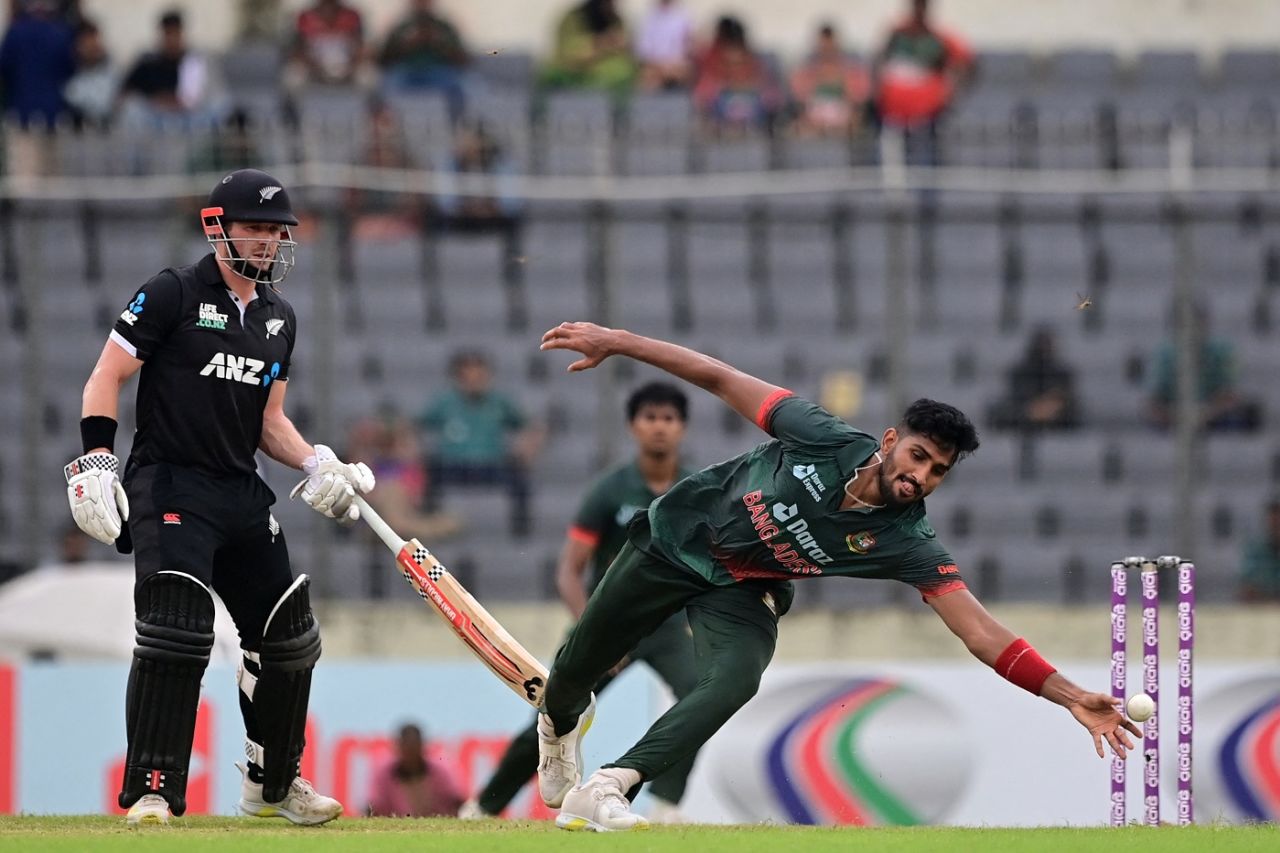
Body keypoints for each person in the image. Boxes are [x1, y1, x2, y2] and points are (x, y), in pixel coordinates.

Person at [532, 321, 1141, 832]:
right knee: (575, 669)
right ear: (891, 441)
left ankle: (612, 782)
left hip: (746, 586)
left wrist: (1069, 696)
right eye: (918, 457)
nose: (922, 477)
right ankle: (559, 721)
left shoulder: (909, 541)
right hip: (676, 538)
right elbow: (717, 376)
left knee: (734, 679)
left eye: (938, 472)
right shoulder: (822, 436)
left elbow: (981, 633)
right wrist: (615, 340)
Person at [64, 168, 376, 827]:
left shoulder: (278, 318)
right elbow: (107, 373)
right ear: (217, 228)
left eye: (276, 231)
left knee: (289, 640)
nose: (267, 243)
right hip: (171, 481)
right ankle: (152, 787)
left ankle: (274, 783)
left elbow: (269, 422)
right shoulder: (173, 293)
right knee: (177, 627)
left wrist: (319, 459)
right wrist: (96, 456)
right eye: (255, 228)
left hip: (239, 488)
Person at [461, 382, 700, 823]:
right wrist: (593, 627)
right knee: (554, 713)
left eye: (669, 419)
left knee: (700, 698)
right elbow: (569, 570)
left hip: (667, 627)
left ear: (682, 427)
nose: (659, 428)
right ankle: (483, 807)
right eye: (650, 418)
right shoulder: (611, 490)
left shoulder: (696, 489)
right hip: (608, 621)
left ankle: (666, 805)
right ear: (633, 426)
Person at [419, 350, 541, 537]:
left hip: (491, 466)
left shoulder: (499, 402)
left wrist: (526, 446)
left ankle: (521, 530)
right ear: (459, 377)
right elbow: (415, 425)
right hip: (452, 466)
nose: (474, 380)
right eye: (468, 375)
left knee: (520, 480)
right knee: (426, 475)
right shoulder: (444, 402)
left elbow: (531, 426)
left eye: (479, 375)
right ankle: (429, 523)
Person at [874, 0, 972, 163]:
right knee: (890, 162)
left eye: (922, 5)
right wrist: (878, 92)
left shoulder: (940, 38)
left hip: (928, 118)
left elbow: (966, 64)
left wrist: (951, 92)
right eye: (916, 5)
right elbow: (879, 62)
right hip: (892, 116)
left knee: (925, 166)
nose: (918, 10)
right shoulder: (896, 34)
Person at [1146, 303, 1259, 432]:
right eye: (1183, 326)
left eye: (1196, 324)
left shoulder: (1223, 351)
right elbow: (1151, 404)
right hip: (1174, 421)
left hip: (1215, 419)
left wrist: (1202, 415)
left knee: (1244, 418)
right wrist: (1177, 417)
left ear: (1206, 324)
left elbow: (1233, 397)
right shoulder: (1164, 355)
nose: (1191, 332)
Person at [118, 9, 224, 129]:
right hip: (155, 120)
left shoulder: (192, 62)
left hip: (189, 120)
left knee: (219, 107)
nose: (172, 40)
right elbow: (125, 94)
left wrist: (173, 103)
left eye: (176, 34)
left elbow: (191, 100)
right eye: (168, 33)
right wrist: (154, 100)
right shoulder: (148, 63)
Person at [378, 0, 470, 119]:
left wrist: (440, 44)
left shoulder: (443, 27)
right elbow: (383, 60)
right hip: (406, 72)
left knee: (457, 86)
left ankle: (457, 126)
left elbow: (463, 60)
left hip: (437, 72)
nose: (421, 3)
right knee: (386, 86)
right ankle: (389, 127)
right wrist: (405, 46)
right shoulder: (401, 28)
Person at [691, 16, 782, 134]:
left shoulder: (755, 66)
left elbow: (774, 98)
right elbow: (701, 96)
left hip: (754, 128)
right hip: (723, 131)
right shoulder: (712, 67)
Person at [989, 326, 1080, 431]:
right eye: (1041, 345)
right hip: (1023, 422)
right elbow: (1017, 399)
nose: (1044, 349)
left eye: (1047, 345)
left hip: (1059, 425)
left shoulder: (1062, 375)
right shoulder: (1019, 373)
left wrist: (1050, 406)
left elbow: (1065, 399)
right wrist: (1034, 409)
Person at [541, 0, 637, 97]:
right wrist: (604, 43)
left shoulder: (615, 20)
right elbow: (571, 56)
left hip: (602, 85)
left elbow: (626, 50)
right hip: (567, 80)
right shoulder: (573, 19)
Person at [789, 23, 871, 137]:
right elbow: (799, 94)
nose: (826, 48)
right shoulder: (807, 67)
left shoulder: (851, 66)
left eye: (829, 43)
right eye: (823, 44)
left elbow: (860, 95)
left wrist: (841, 78)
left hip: (843, 113)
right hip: (815, 114)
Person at [367, 723, 465, 817]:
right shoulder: (385, 775)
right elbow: (374, 807)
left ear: (422, 746)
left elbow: (455, 801)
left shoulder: (439, 773)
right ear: (399, 747)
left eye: (414, 747)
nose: (411, 754)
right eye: (407, 748)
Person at [286, 0, 369, 89]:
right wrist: (312, 66)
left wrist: (351, 66)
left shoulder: (352, 16)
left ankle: (371, 102)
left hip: (347, 68)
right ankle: (291, 102)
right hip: (314, 67)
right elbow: (298, 49)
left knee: (368, 75)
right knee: (293, 75)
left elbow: (360, 47)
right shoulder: (306, 17)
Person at [63, 18, 118, 128]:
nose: (92, 47)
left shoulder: (111, 69)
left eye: (94, 40)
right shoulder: (68, 75)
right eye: (86, 43)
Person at [635, 0, 696, 91]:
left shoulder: (683, 16)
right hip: (654, 66)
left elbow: (688, 46)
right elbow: (643, 50)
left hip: (677, 66)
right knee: (647, 79)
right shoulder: (648, 17)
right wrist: (661, 67)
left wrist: (672, 66)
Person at [1240, 498, 1280, 603]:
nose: (1277, 528)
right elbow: (1247, 588)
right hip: (1262, 609)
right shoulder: (1256, 551)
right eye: (1274, 524)